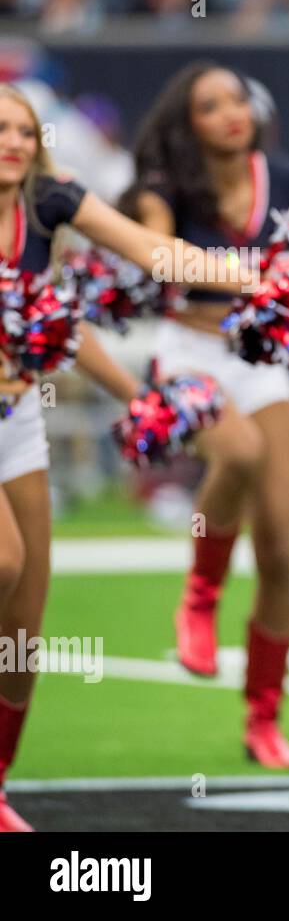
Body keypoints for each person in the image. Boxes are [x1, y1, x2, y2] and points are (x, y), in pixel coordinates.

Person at [0, 82, 255, 831]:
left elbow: (150, 255)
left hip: (17, 422)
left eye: (22, 129)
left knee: (23, 624)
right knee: (4, 563)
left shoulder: (48, 204)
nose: (12, 140)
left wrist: (244, 273)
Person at [119, 62, 289, 768]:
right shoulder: (164, 189)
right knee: (238, 452)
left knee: (282, 552)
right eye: (210, 104)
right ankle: (199, 598)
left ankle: (263, 717)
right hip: (188, 356)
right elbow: (163, 258)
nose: (231, 112)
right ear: (186, 122)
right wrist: (251, 274)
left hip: (260, 360)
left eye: (238, 99)